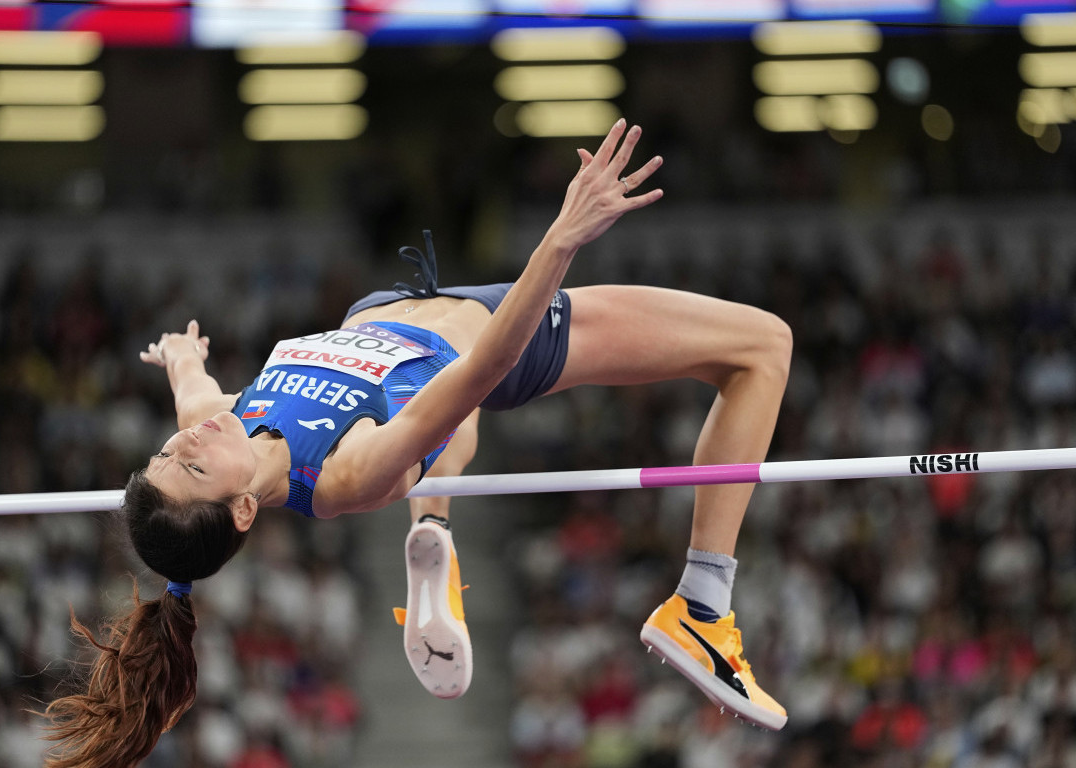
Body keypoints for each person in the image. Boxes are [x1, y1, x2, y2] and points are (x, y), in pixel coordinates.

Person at [41, 120, 793, 767]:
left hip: (392, 311)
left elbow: (196, 397)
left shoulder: (229, 422)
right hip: (491, 339)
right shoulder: (338, 475)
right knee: (762, 346)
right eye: (193, 461)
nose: (190, 438)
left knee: (437, 437)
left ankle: (433, 526)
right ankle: (701, 605)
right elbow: (486, 366)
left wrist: (181, 354)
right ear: (243, 510)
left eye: (167, 451)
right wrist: (560, 239)